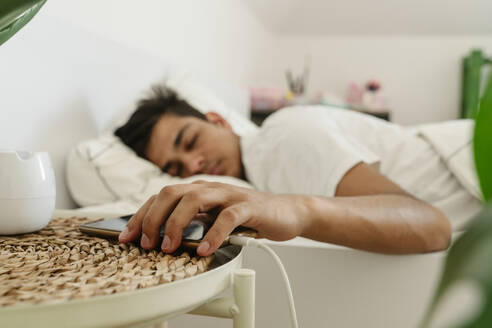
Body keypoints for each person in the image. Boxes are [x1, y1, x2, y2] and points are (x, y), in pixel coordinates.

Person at [114, 86, 482, 257]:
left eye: (190, 140)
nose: (192, 164)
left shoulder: (282, 135)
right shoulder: (262, 168)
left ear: (219, 121)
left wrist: (297, 209)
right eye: (176, 168)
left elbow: (430, 225)